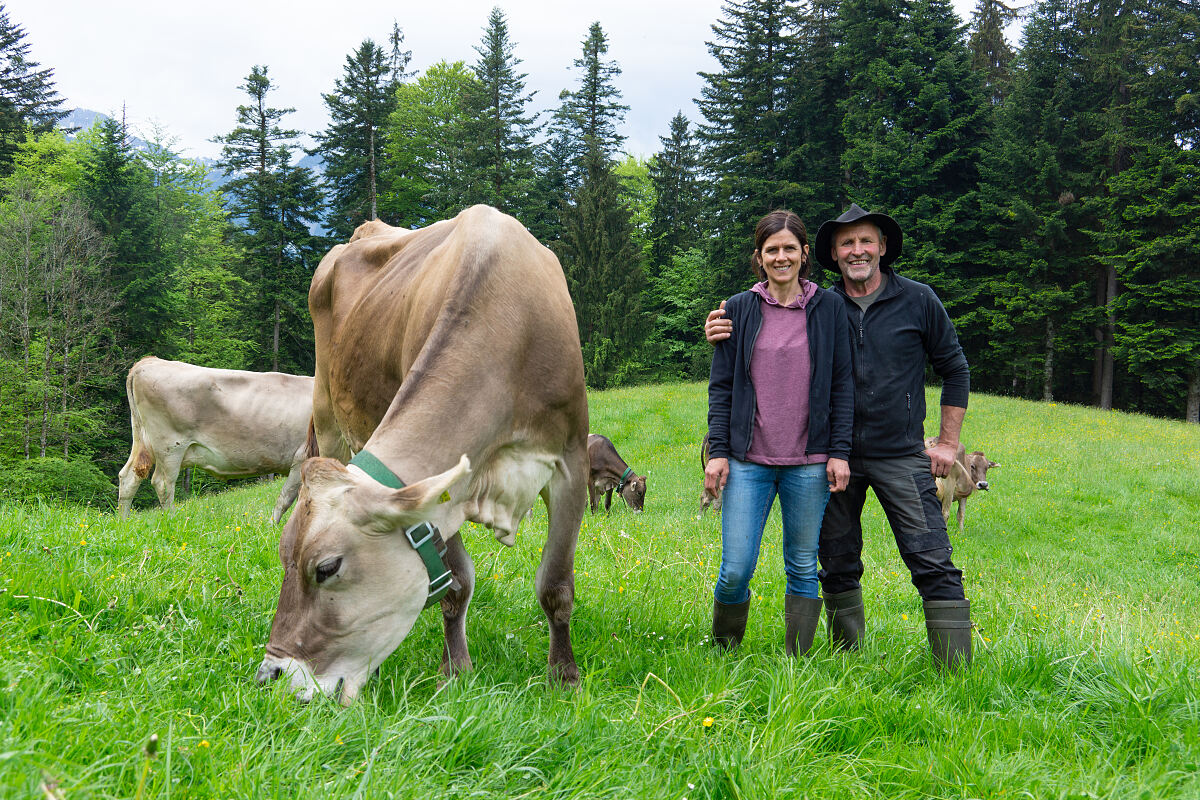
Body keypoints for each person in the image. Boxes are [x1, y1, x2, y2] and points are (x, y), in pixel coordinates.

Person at [705, 204, 973, 668]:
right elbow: (744, 360)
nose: (857, 250)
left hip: (896, 454)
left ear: (883, 247)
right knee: (837, 560)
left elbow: (955, 368)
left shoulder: (917, 300)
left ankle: (958, 672)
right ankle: (847, 658)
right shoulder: (821, 305)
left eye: (866, 241)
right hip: (832, 457)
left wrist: (948, 442)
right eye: (847, 243)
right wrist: (718, 327)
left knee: (931, 556)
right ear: (832, 253)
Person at [704, 210, 854, 657]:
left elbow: (842, 384)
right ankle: (724, 652)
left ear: (805, 254)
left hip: (809, 463)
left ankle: (797, 661)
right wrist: (718, 451)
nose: (781, 257)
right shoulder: (738, 309)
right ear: (759, 256)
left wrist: (839, 451)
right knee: (735, 568)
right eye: (772, 250)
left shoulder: (829, 308)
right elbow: (722, 387)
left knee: (803, 566)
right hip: (747, 461)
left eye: (790, 248)